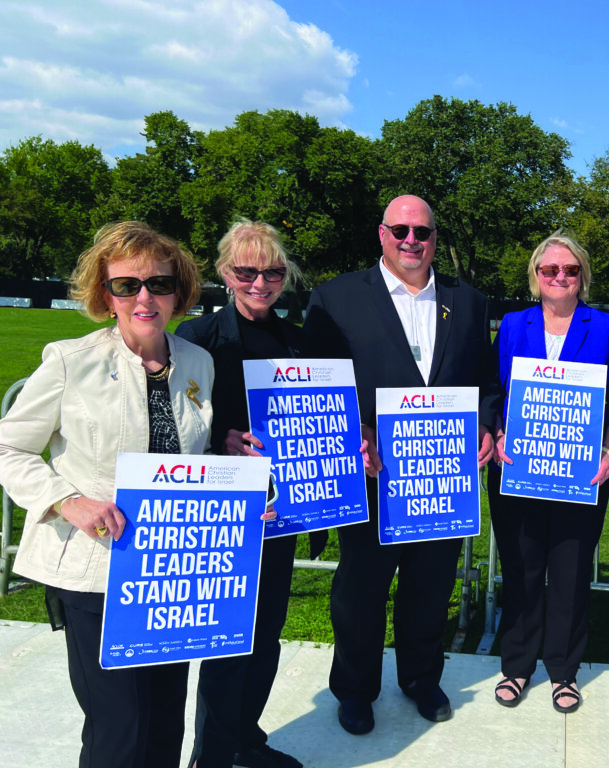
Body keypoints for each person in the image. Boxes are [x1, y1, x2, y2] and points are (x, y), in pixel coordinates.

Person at [0, 221, 213, 768]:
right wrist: (66, 500)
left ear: (179, 291)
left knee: (167, 718)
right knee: (119, 728)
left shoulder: (198, 364)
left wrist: (231, 503)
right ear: (105, 293)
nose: (145, 297)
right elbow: (9, 449)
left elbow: (194, 462)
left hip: (177, 575)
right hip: (98, 569)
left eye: (160, 284)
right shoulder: (72, 361)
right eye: (126, 285)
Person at [303, 194, 500, 735]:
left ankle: (420, 677)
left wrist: (485, 425)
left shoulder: (469, 301)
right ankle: (356, 689)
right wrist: (351, 436)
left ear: (436, 237)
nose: (412, 240)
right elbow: (314, 387)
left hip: (441, 475)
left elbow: (487, 383)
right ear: (382, 234)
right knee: (362, 590)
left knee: (431, 586)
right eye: (401, 231)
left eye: (423, 232)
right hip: (370, 474)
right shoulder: (336, 297)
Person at [176, 220, 311, 768]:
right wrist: (216, 441)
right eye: (246, 271)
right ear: (224, 273)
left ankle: (244, 740)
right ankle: (210, 757)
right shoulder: (196, 339)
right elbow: (168, 431)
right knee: (227, 643)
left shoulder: (297, 340)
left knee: (267, 637)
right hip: (223, 516)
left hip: (280, 511)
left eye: (272, 272)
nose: (260, 283)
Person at [489, 232, 609, 713]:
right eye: (549, 270)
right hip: (519, 470)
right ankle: (516, 663)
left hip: (581, 473)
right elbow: (495, 389)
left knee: (570, 574)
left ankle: (563, 671)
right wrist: (498, 428)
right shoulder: (513, 324)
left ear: (582, 277)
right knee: (521, 569)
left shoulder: (607, 327)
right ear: (535, 276)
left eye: (569, 270)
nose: (559, 277)